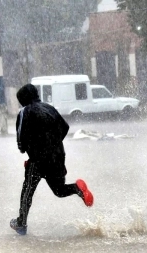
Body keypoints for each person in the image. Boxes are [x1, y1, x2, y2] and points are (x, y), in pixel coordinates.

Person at [10, 84, 94, 235]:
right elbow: (65, 127)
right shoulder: (49, 108)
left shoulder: (24, 112)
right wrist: (52, 146)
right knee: (59, 190)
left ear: (23, 99)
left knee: (27, 191)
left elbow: (21, 141)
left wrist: (30, 150)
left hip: (37, 160)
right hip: (57, 157)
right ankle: (77, 189)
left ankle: (21, 224)